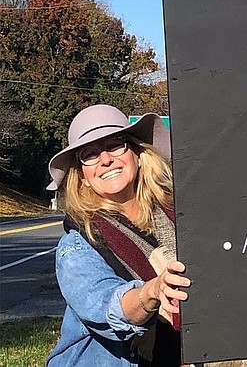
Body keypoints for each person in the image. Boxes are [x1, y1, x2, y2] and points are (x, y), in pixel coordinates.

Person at [45, 104, 190, 367]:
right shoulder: (76, 244)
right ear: (83, 177)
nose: (105, 160)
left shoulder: (181, 217)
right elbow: (105, 307)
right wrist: (152, 291)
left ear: (136, 153)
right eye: (89, 154)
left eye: (115, 145)